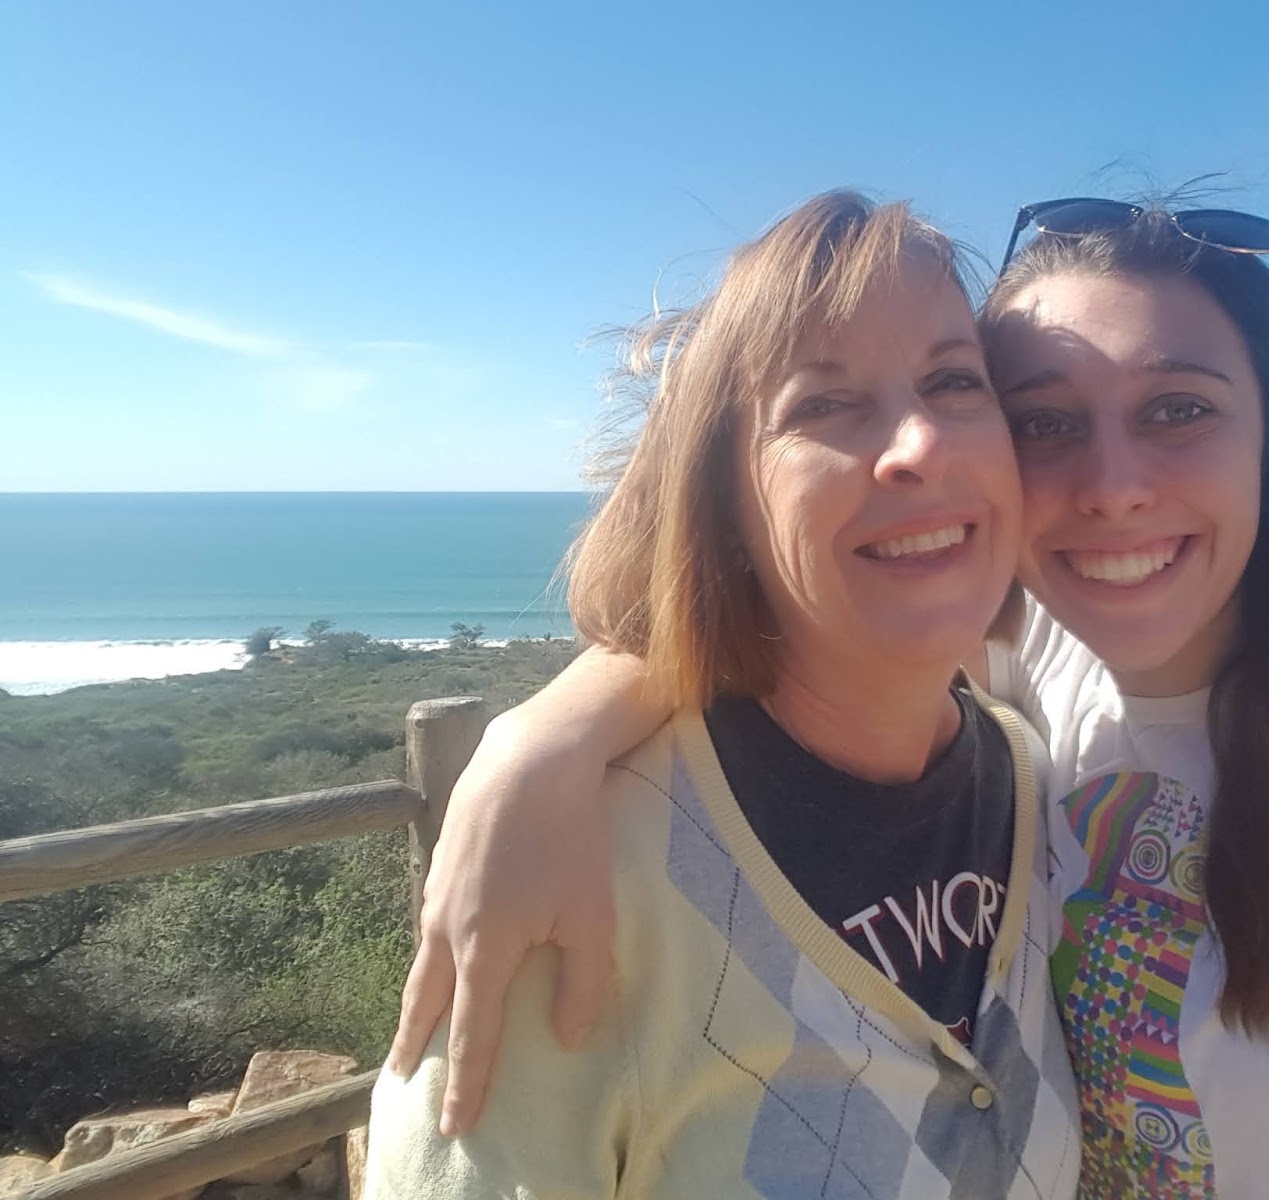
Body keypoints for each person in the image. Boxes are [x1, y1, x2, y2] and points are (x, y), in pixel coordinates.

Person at [386, 196, 1269, 1198]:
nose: (1113, 485)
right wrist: (545, 737)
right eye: (1045, 420)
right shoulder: (1033, 678)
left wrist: (537, 740)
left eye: (1179, 409)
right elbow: (818, 599)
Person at [363, 191, 1083, 1198]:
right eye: (823, 405)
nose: (919, 443)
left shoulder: (1031, 784)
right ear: (723, 505)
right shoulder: (573, 877)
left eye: (955, 381)